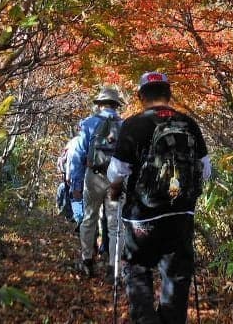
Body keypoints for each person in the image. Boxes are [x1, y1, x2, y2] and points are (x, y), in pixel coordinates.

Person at [107, 71, 211, 324]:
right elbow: (205, 171)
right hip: (181, 214)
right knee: (176, 275)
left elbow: (116, 172)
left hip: (142, 217)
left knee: (137, 269)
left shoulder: (132, 125)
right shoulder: (188, 124)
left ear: (141, 96)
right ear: (169, 93)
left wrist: (115, 192)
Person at [68, 84, 125, 277]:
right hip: (116, 179)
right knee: (115, 223)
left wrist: (76, 185)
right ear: (116, 105)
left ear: (100, 104)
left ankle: (87, 261)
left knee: (89, 218)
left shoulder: (88, 123)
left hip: (93, 177)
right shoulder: (124, 126)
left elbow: (78, 156)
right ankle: (113, 268)